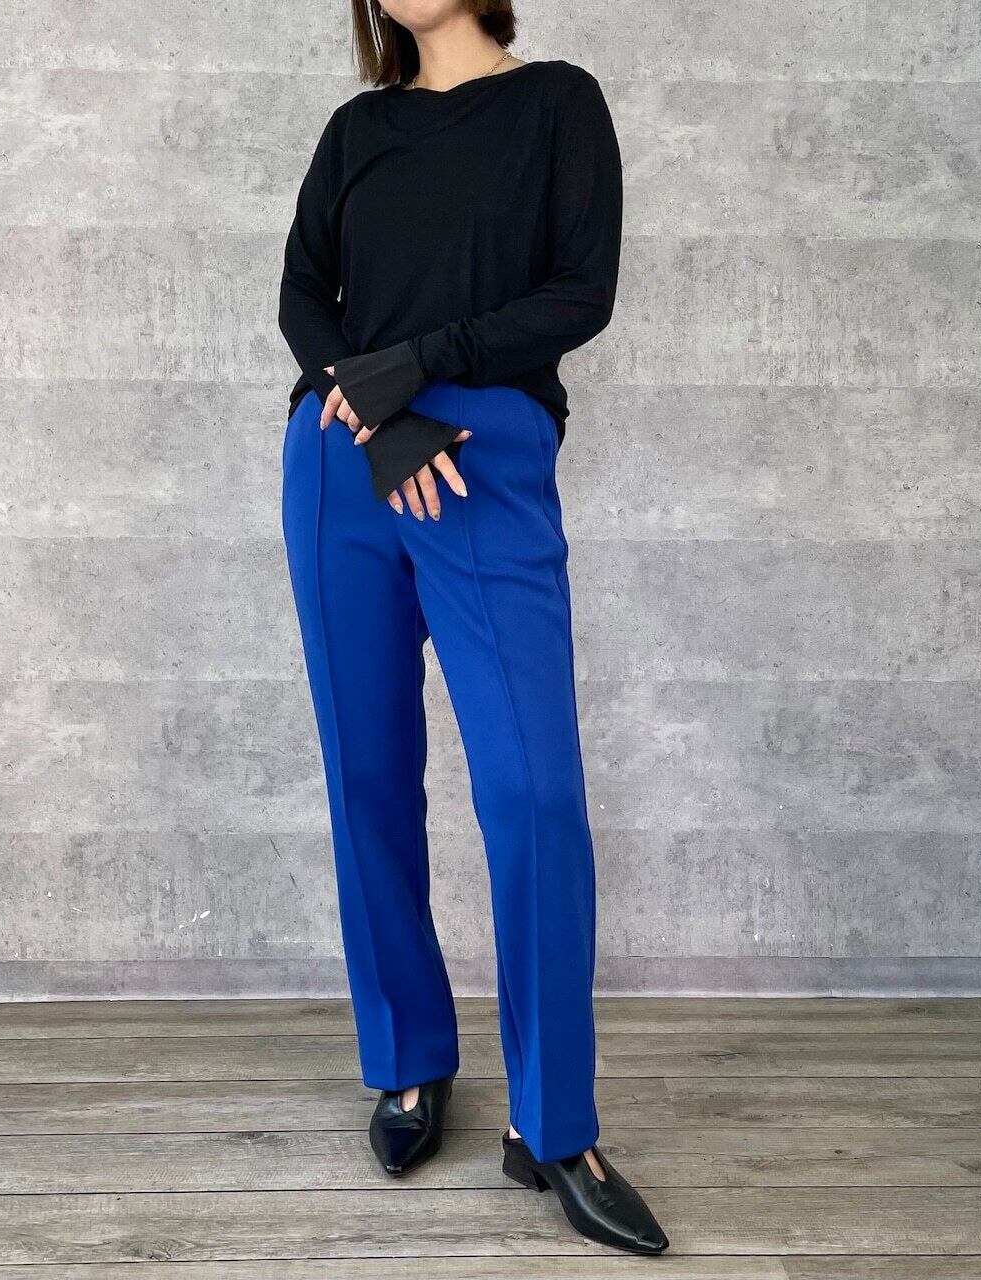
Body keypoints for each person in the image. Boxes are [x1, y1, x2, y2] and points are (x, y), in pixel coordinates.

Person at [277, 0, 669, 1255]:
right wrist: (378, 414)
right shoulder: (357, 130)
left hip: (483, 457)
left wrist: (421, 366)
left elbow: (579, 292)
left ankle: (553, 1123)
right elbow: (301, 295)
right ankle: (407, 1055)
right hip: (342, 458)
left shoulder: (557, 104)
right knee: (367, 774)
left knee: (533, 790)